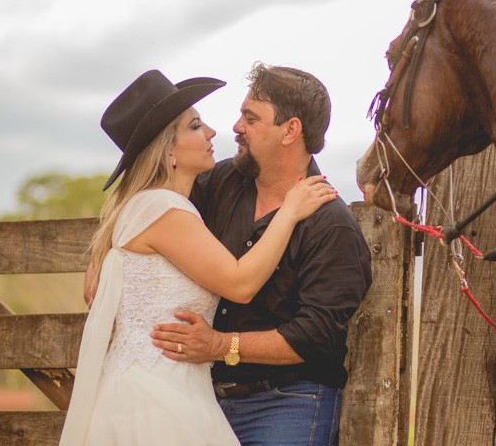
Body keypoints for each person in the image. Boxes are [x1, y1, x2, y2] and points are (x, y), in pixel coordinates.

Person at [60, 70, 337, 445]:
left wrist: (104, 254)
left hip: (184, 392)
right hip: (156, 396)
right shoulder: (165, 208)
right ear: (168, 149)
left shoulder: (184, 199)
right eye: (195, 126)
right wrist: (289, 211)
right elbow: (240, 284)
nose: (212, 132)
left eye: (249, 117)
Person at [150, 63, 373, 446]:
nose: (236, 127)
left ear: (290, 131)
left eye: (250, 118)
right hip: (202, 395)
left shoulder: (331, 224)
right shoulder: (219, 182)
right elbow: (154, 207)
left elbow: (315, 335)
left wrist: (221, 345)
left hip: (289, 402)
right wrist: (105, 254)